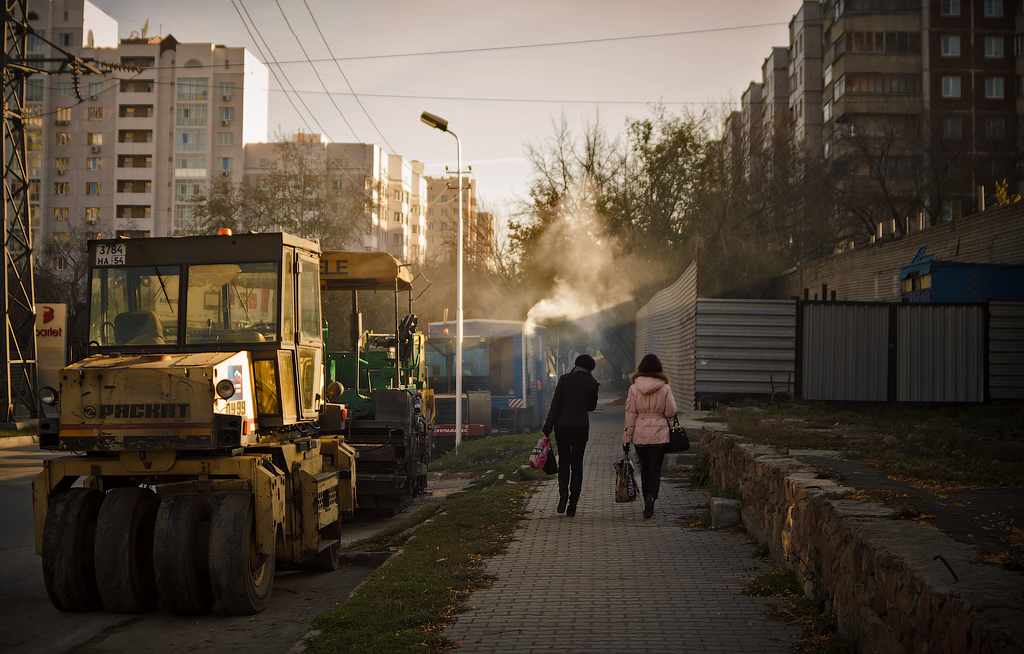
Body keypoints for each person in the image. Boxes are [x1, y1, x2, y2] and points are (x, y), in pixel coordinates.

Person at [542, 354, 600, 517]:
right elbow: (591, 407)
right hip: (580, 426)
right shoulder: (591, 382)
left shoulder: (565, 379)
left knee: (564, 462)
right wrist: (595, 389)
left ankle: (562, 497)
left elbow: (556, 404)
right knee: (577, 464)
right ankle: (573, 502)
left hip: (562, 426)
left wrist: (548, 426)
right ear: (590, 369)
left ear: (576, 365)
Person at [622, 354, 677, 519]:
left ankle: (646, 497)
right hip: (660, 434)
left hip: (640, 434)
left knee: (644, 468)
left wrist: (626, 439)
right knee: (655, 469)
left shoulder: (633, 388)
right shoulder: (665, 388)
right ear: (659, 368)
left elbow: (630, 415)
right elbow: (671, 412)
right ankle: (652, 497)